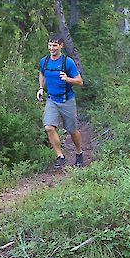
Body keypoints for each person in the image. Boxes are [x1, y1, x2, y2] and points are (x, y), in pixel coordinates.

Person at [37, 35, 84, 168]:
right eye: (50, 45)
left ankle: (79, 153)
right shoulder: (44, 61)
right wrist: (41, 88)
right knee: (49, 127)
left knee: (72, 130)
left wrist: (68, 79)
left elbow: (80, 81)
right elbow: (41, 73)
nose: (52, 48)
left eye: (55, 45)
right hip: (52, 99)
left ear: (61, 46)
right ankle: (60, 156)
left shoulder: (67, 62)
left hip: (67, 99)